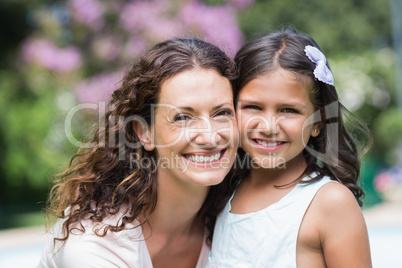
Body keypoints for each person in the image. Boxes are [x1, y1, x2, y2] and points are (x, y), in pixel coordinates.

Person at [38, 38, 239, 268]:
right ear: (144, 133)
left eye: (222, 112)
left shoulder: (234, 215)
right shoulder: (96, 242)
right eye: (183, 117)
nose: (210, 136)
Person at [209, 29, 372, 267]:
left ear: (317, 123)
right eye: (253, 106)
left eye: (288, 110)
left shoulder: (330, 203)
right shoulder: (222, 189)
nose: (268, 126)